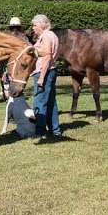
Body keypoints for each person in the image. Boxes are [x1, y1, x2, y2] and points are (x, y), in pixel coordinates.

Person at [31, 13, 62, 141]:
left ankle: (40, 132)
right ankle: (55, 130)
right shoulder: (52, 35)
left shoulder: (46, 36)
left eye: (35, 25)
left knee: (40, 102)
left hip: (45, 72)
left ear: (43, 24)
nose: (33, 28)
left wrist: (41, 77)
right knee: (50, 102)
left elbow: (47, 56)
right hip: (51, 71)